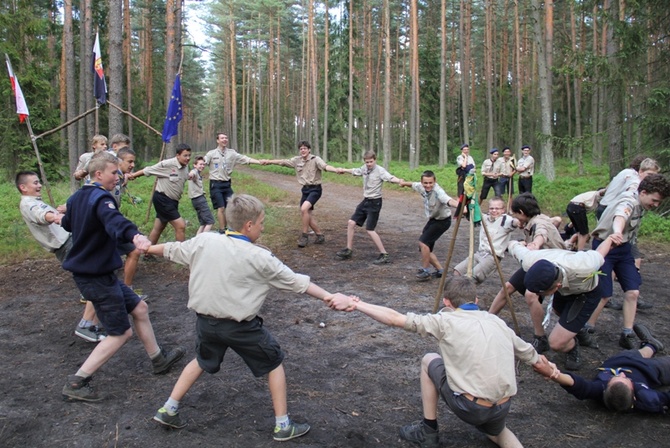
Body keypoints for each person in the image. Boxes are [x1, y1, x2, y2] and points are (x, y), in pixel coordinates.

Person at [146, 194, 348, 442]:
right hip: (240, 328)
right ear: (249, 225)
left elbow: (170, 249)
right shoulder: (259, 257)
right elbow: (297, 282)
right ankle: (283, 425)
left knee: (201, 359)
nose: (263, 227)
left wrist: (146, 247)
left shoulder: (205, 241)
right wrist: (329, 296)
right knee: (274, 362)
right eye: (261, 223)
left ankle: (169, 408)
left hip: (206, 323)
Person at [328, 276, 544, 448]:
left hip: (470, 406)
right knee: (497, 433)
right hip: (502, 406)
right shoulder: (497, 321)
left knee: (429, 360)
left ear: (446, 302)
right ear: (476, 301)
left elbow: (395, 318)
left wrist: (357, 304)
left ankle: (428, 431)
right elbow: (532, 356)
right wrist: (553, 372)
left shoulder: (444, 320)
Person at [60, 152, 184, 402]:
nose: (118, 177)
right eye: (114, 172)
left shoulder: (76, 197)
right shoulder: (101, 198)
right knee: (120, 333)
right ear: (98, 174)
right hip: (94, 276)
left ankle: (158, 359)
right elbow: (114, 220)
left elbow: (67, 225)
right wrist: (135, 235)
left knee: (140, 307)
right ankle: (77, 382)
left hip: (98, 273)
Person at [489, 235, 618, 370]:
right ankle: (572, 331)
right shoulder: (529, 260)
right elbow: (513, 245)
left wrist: (611, 239)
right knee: (558, 311)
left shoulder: (585, 265)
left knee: (556, 343)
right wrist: (518, 242)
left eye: (541, 293)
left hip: (585, 293)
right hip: (558, 277)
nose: (537, 296)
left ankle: (573, 347)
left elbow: (599, 253)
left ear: (555, 288)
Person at [16, 171, 106, 343]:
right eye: (35, 183)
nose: (39, 185)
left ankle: (92, 324)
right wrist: (56, 216)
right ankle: (86, 325)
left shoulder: (34, 201)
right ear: (23, 187)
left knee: (98, 279)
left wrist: (62, 210)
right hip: (67, 246)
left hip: (68, 243)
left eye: (39, 182)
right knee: (97, 281)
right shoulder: (28, 204)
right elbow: (42, 216)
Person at [585, 173, 670, 350]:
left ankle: (627, 332)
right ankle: (587, 329)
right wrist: (616, 231)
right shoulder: (629, 200)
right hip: (606, 246)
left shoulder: (638, 196)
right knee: (604, 294)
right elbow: (620, 215)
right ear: (644, 192)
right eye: (654, 200)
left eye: (658, 203)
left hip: (624, 250)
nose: (655, 205)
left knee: (633, 292)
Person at [533, 323, 670, 413]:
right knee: (660, 363)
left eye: (614, 378)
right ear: (633, 392)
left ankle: (651, 345)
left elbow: (576, 384)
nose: (622, 375)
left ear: (607, 386)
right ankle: (652, 346)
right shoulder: (646, 398)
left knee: (634, 354)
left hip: (619, 360)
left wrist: (553, 374)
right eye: (625, 379)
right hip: (649, 370)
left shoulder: (599, 389)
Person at [261, 140, 340, 247]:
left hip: (315, 189)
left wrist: (335, 170)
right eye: (301, 149)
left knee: (304, 209)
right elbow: (283, 162)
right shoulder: (296, 160)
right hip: (305, 190)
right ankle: (320, 235)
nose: (303, 150)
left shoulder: (315, 159)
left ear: (309, 150)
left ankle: (304, 236)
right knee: (306, 214)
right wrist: (269, 161)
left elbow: (325, 166)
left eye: (305, 148)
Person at [335, 150, 403, 264]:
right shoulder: (364, 168)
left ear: (375, 160)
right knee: (351, 223)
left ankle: (384, 254)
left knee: (370, 229)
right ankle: (348, 250)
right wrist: (344, 170)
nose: (369, 164)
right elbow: (356, 171)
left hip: (375, 202)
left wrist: (400, 181)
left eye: (371, 162)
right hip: (365, 201)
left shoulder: (380, 171)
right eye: (367, 162)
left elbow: (390, 178)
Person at [399, 171, 459, 280]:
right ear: (422, 182)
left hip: (443, 221)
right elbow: (413, 184)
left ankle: (425, 270)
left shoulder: (438, 191)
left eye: (430, 183)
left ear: (434, 181)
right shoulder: (421, 187)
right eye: (425, 183)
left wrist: (459, 206)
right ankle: (441, 271)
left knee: (423, 243)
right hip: (433, 219)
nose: (428, 185)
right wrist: (403, 183)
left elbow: (448, 200)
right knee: (424, 248)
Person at [129, 143, 191, 244]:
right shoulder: (167, 164)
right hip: (163, 199)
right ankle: (181, 255)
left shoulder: (186, 166)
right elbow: (148, 170)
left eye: (189, 155)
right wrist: (132, 175)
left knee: (159, 227)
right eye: (185, 155)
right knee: (181, 226)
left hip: (173, 201)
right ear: (178, 155)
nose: (188, 158)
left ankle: (147, 252)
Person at [453, 196, 519, 285]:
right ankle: (457, 292)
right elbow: (473, 215)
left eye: (497, 208)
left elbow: (513, 223)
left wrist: (517, 220)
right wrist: (469, 201)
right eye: (491, 208)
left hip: (492, 257)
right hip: (479, 253)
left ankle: (467, 296)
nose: (494, 211)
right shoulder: (485, 218)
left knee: (469, 278)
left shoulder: (505, 220)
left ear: (503, 210)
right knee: (457, 271)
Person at [204, 132, 262, 232]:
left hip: (227, 184)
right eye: (222, 138)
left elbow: (245, 159)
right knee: (221, 208)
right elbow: (202, 163)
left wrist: (259, 162)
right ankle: (222, 230)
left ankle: (231, 228)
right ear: (217, 140)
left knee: (231, 206)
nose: (225, 140)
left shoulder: (232, 153)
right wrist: (194, 172)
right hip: (215, 184)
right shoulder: (211, 153)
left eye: (226, 138)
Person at [188, 156, 216, 235]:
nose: (202, 166)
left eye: (203, 164)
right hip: (199, 200)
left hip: (195, 200)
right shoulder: (195, 172)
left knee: (203, 223)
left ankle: (196, 240)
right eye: (200, 164)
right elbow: (191, 174)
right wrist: (190, 175)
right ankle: (202, 241)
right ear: (195, 165)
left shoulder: (198, 173)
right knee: (210, 222)